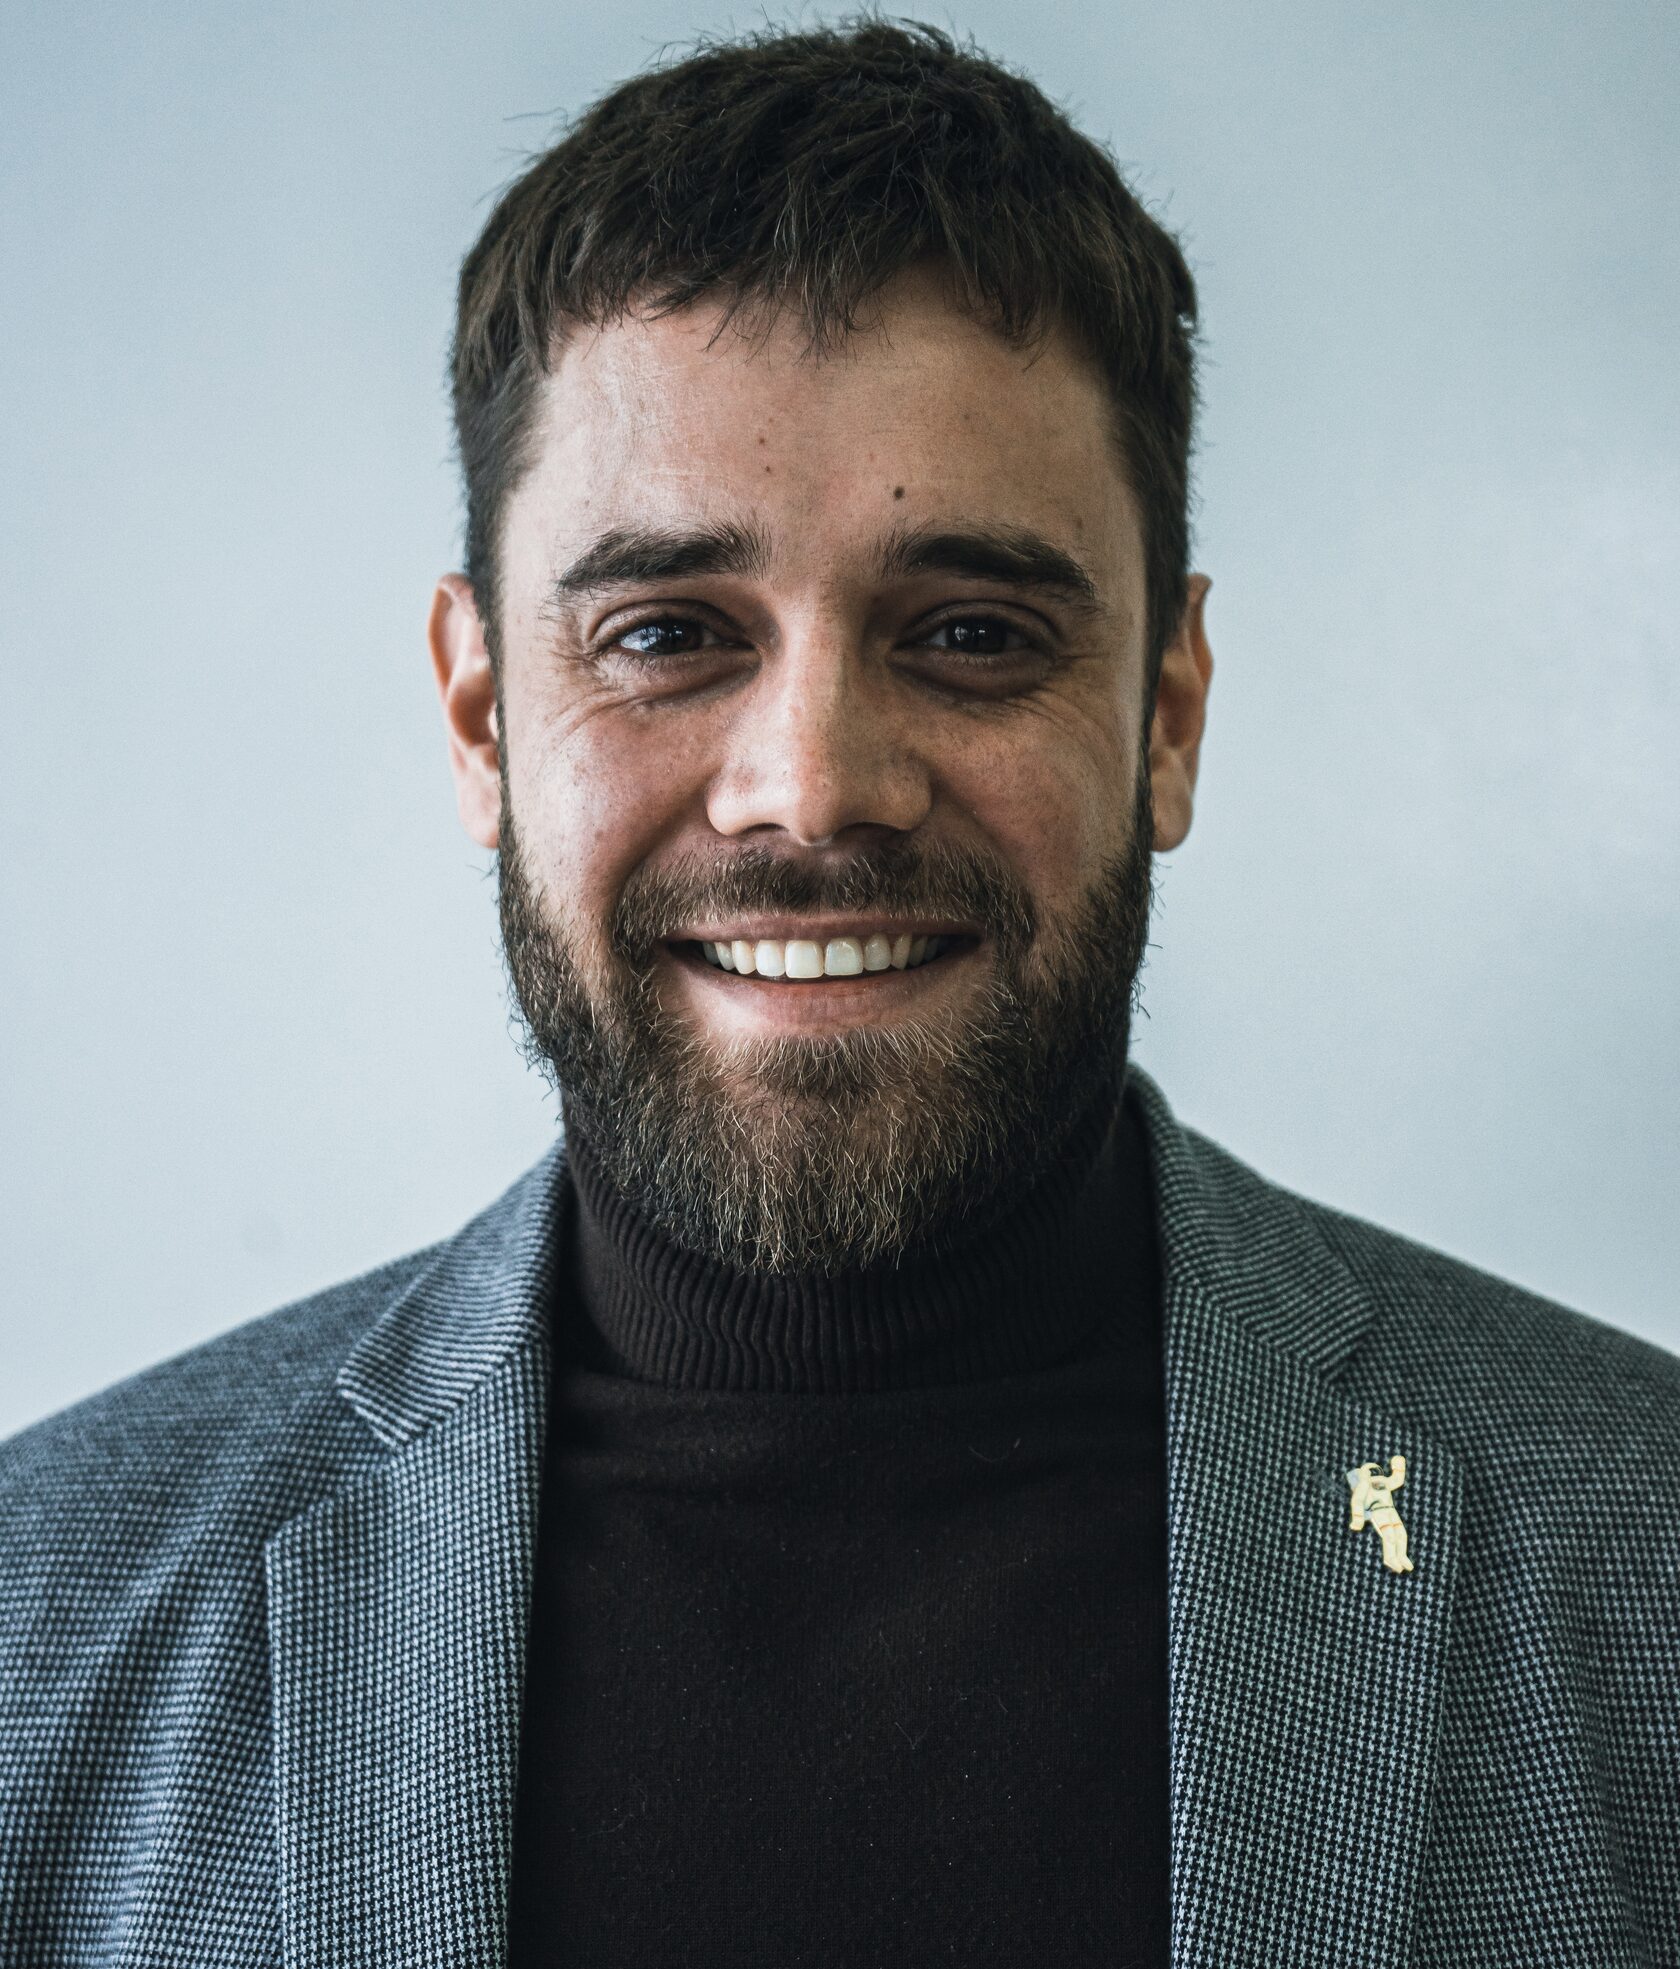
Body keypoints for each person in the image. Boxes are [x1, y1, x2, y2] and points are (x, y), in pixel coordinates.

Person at [2, 20, 1675, 1966]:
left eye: (970, 630)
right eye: (665, 634)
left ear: (1168, 714)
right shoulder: (41, 1624)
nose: (812, 787)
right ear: (481, 716)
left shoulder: (1643, 1565)